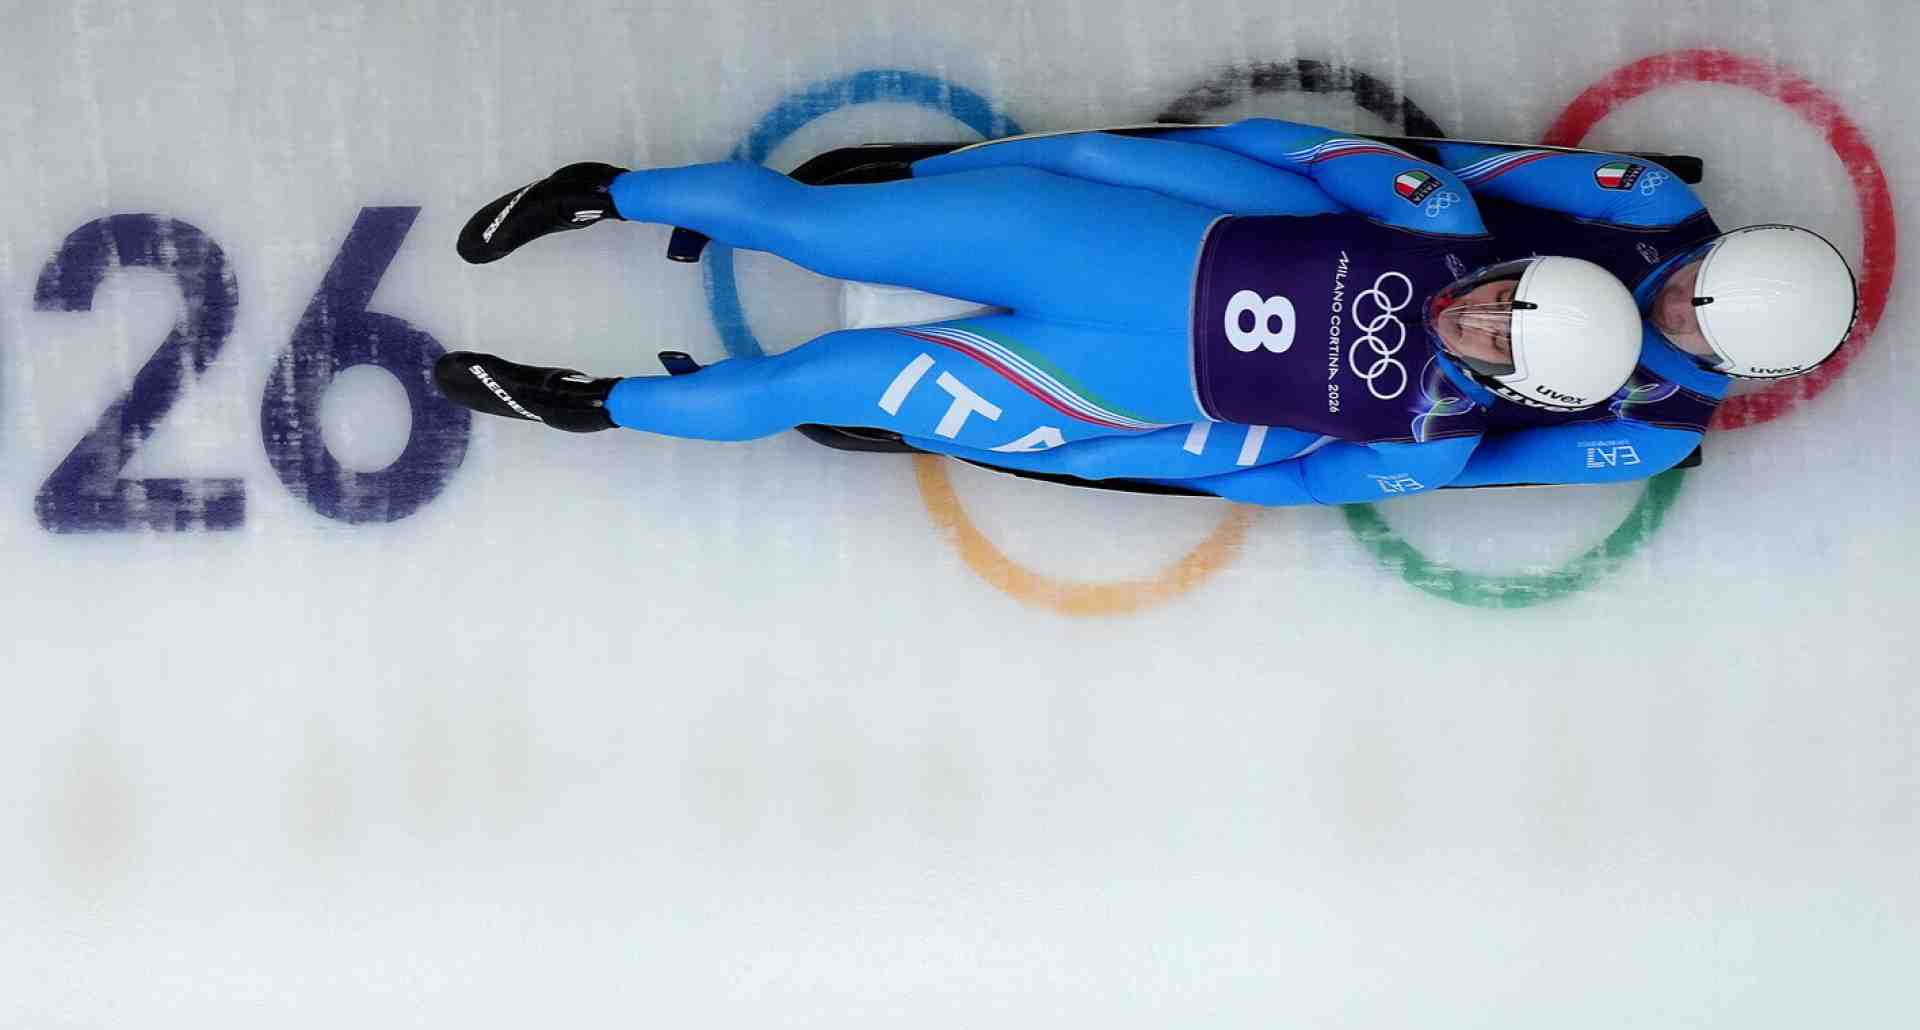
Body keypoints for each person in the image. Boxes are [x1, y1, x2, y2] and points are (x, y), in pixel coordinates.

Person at [435, 120, 1644, 504]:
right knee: (813, 223)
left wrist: (1087, 451)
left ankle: (588, 405)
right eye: (1502, 297)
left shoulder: (1430, 451)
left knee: (816, 385)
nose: (1476, 318)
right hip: (1104, 251)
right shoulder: (1434, 218)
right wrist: (1070, 161)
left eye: (1497, 344)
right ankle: (604, 196)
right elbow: (1253, 169)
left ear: (1514, 391)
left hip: (1085, 382)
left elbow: (1254, 481)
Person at [1415, 142, 1859, 488]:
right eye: (1698, 278)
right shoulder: (1651, 202)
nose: (1676, 306)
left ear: (1728, 364)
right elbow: (1468, 169)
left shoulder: (1658, 433)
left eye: (1702, 327)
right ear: (1713, 250)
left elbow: (1465, 468)